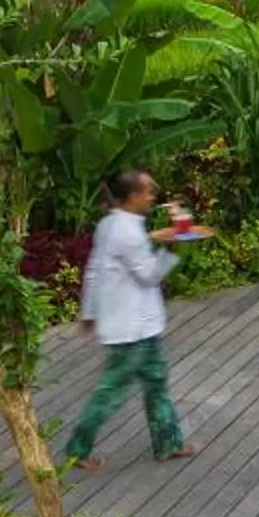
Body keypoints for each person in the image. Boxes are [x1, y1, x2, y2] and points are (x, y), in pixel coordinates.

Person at [62, 168, 199, 469]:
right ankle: (77, 450)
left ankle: (169, 442)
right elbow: (149, 275)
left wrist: (89, 312)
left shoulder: (110, 224)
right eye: (148, 190)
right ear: (133, 196)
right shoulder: (127, 233)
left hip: (140, 326)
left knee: (156, 384)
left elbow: (94, 270)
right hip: (131, 331)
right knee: (109, 394)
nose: (153, 195)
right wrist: (175, 244)